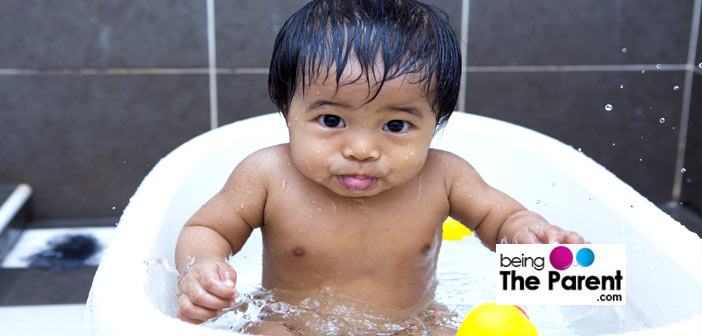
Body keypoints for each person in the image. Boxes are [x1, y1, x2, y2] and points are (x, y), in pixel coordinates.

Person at [175, 0, 585, 334]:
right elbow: (206, 229)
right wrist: (203, 270)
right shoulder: (266, 175)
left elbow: (501, 219)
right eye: (332, 121)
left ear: (438, 119)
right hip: (294, 327)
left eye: (396, 125)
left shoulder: (445, 177)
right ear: (286, 109)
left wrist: (530, 237)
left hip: (414, 325)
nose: (362, 149)